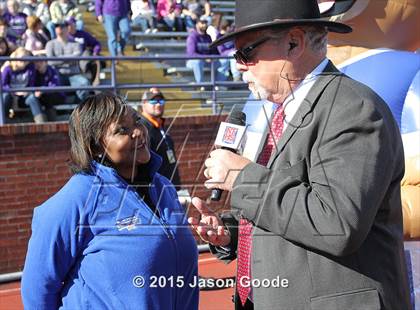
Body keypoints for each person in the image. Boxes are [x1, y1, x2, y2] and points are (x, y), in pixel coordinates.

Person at [188, 0, 412, 309]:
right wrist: (232, 234)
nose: (238, 64)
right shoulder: (282, 112)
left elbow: (336, 224)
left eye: (246, 52)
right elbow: (290, 211)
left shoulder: (353, 108)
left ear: (294, 43)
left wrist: (243, 179)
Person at [21, 92, 199, 309]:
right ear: (95, 147)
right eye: (121, 130)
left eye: (137, 121)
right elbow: (37, 289)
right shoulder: (76, 199)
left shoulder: (164, 187)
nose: (138, 132)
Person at [139, 87, 181, 190]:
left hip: (171, 187)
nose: (158, 104)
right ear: (143, 103)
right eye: (153, 101)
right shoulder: (142, 128)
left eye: (161, 101)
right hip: (158, 191)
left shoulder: (160, 125)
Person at [45, 22, 90, 102]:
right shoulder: (50, 44)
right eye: (57, 27)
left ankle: (77, 108)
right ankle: (61, 110)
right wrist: (70, 58)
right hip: (57, 74)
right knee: (51, 85)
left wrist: (58, 59)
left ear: (67, 29)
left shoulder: (76, 44)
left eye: (62, 27)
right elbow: (50, 62)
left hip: (74, 75)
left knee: (85, 83)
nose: (59, 29)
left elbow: (77, 57)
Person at [0, 47, 41, 123]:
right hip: (11, 94)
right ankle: (2, 122)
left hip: (24, 95)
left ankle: (41, 122)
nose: (24, 61)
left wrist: (26, 91)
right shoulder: (8, 68)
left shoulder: (30, 68)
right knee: (5, 97)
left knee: (32, 98)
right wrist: (13, 92)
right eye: (22, 58)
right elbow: (3, 85)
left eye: (26, 59)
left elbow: (31, 84)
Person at [186, 17, 226, 85]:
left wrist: (213, 57)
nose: (204, 25)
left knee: (223, 62)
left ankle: (218, 84)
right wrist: (205, 57)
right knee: (197, 62)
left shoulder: (208, 37)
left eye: (205, 23)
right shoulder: (192, 37)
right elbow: (191, 54)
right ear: (197, 24)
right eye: (202, 23)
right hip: (192, 61)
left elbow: (213, 51)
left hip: (207, 61)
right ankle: (200, 85)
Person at [25, 55, 65, 121]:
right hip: (38, 96)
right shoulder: (33, 72)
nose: (38, 64)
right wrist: (36, 91)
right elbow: (30, 85)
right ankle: (43, 123)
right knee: (33, 98)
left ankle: (50, 123)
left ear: (46, 62)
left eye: (41, 62)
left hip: (55, 95)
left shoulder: (52, 70)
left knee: (47, 98)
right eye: (36, 62)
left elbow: (55, 86)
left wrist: (42, 90)